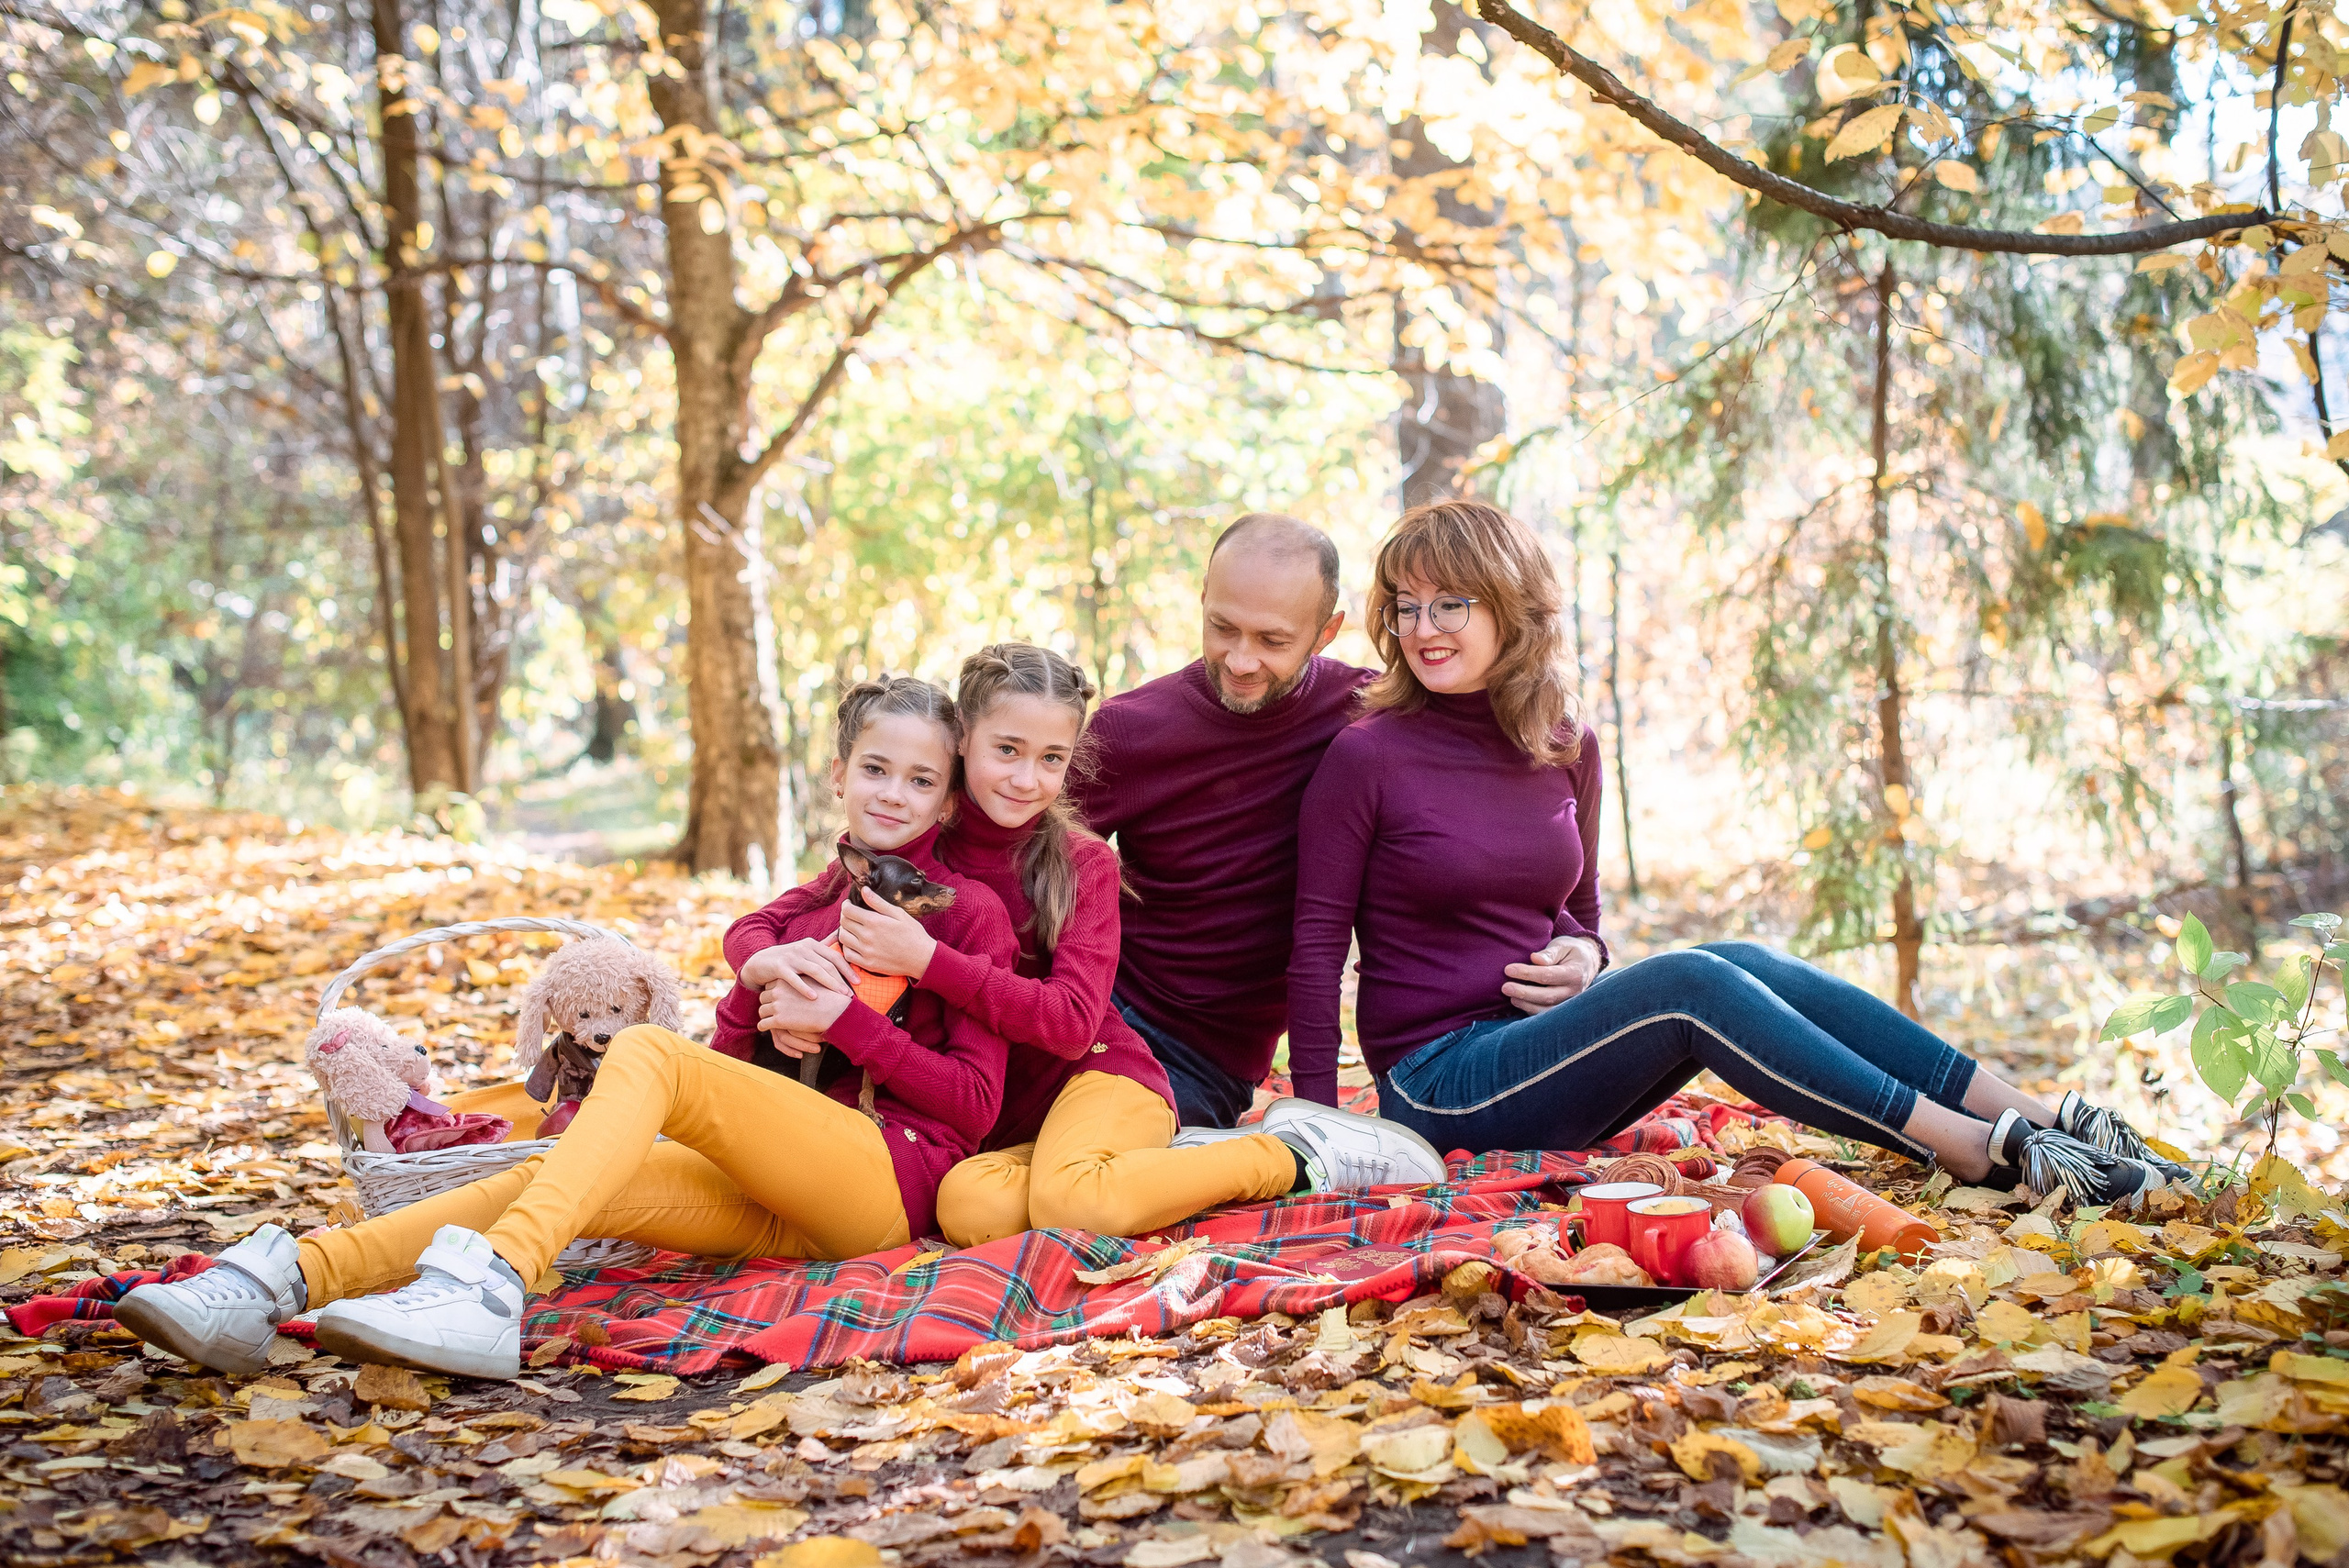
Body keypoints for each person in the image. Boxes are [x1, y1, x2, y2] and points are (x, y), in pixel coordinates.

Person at [1286, 499, 2191, 1203]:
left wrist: (1584, 954)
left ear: (1512, 608)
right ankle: (1978, 1152)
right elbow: (1316, 950)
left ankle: (2045, 1117)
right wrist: (1326, 1128)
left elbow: (1581, 914)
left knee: (1738, 960)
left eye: (1453, 601)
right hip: (1441, 1081)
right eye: (1404, 606)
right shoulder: (1368, 752)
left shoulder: (1563, 740)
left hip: (1546, 1045)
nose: (1422, 627)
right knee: (1689, 979)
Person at [116, 676, 1019, 1379]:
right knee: (562, 1169)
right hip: (772, 1195)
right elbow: (738, 1075)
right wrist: (755, 982)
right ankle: (282, 1281)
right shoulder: (799, 909)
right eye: (875, 768)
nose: (892, 793)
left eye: (920, 778)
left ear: (947, 800)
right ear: (837, 775)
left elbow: (974, 1110)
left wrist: (851, 1024)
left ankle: (491, 1283)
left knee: (648, 1054)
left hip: (884, 1183)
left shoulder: (968, 912)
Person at [825, 644, 1444, 1247]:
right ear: (962, 737)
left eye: (1050, 758)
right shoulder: (921, 843)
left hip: (1103, 1072)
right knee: (967, 1206)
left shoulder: (1081, 862)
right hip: (1016, 1113)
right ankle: (1168, 1165)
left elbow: (1070, 1024)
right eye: (1006, 750)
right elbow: (803, 913)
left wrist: (930, 962)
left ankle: (1286, 1155)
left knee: (1075, 1200)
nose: (1024, 778)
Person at [1071, 511, 1596, 1125]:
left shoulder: (1367, 719)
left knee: (1099, 1166)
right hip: (1108, 1017)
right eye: (1222, 628)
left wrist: (1583, 945)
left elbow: (1481, 841)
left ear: (1326, 632)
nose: (1241, 660)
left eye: (1272, 640)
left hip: (1210, 1063)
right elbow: (1028, 869)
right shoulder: (1130, 729)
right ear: (1204, 599)